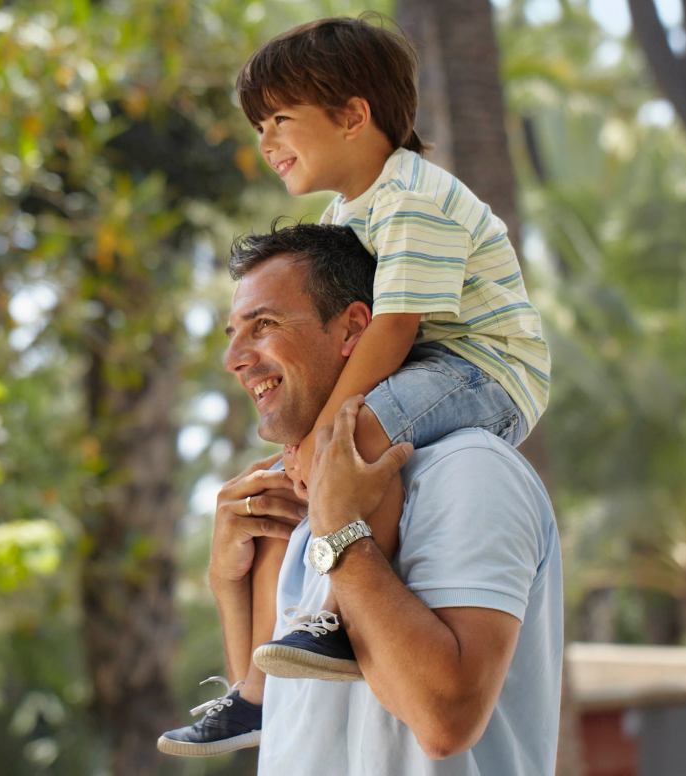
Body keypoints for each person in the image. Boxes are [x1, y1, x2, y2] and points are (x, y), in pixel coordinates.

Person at [158, 223, 563, 775]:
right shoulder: (310, 501)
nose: (234, 358)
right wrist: (229, 582)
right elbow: (281, 713)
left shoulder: (468, 470)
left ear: (353, 327)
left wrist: (341, 534)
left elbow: (445, 721)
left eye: (264, 326)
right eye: (233, 333)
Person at [234, 13, 551, 702]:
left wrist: (326, 429)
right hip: (431, 366)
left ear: (353, 115)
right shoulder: (349, 216)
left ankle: (337, 615)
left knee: (355, 437)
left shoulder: (414, 197)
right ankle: (250, 693)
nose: (266, 141)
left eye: (281, 120)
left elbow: (393, 328)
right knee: (298, 466)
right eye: (259, 127)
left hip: (485, 367)